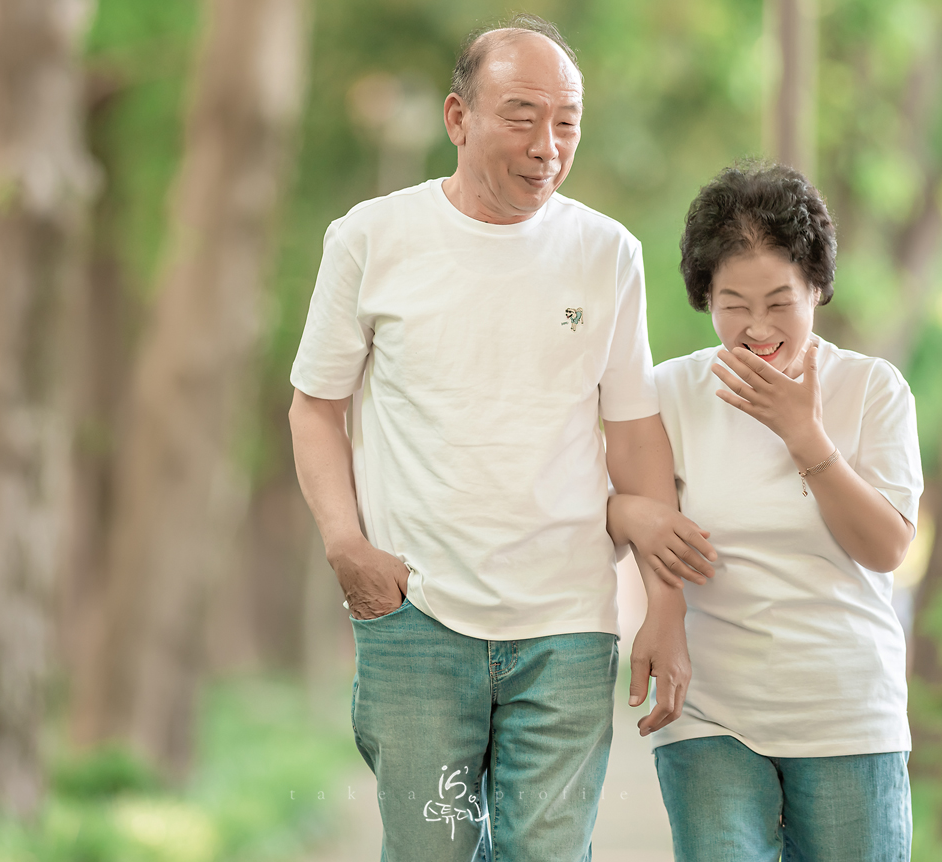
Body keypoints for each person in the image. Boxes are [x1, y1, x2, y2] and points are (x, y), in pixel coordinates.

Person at [287, 14, 714, 862]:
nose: (547, 145)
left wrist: (665, 609)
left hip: (566, 623)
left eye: (567, 122)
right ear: (458, 118)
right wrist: (346, 545)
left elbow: (634, 443)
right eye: (521, 116)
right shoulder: (372, 239)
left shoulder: (607, 254)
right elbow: (314, 407)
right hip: (418, 617)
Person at [608, 162, 923, 861]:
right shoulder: (670, 394)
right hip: (711, 713)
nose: (756, 329)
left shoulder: (872, 390)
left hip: (847, 716)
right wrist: (632, 517)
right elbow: (608, 503)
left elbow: (886, 548)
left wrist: (804, 435)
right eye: (732, 303)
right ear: (704, 297)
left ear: (816, 287)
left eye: (780, 303)